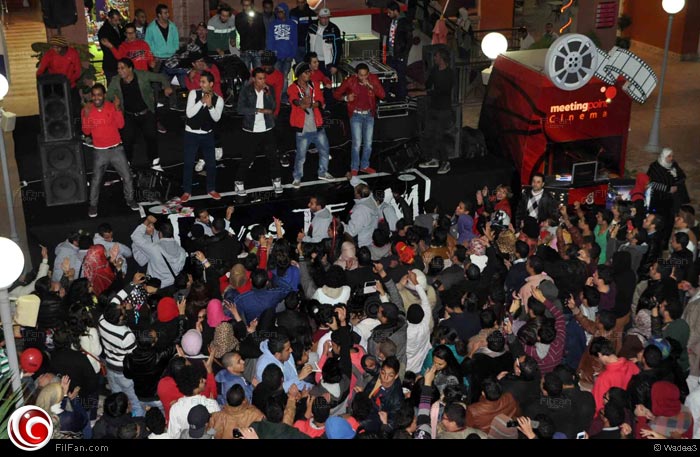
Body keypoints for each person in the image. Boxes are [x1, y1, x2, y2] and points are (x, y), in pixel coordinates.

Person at [81, 83, 139, 218]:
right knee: (96, 180)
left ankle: (130, 199)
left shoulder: (112, 106)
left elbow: (121, 125)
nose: (96, 98)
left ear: (104, 95)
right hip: (99, 152)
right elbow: (86, 131)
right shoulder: (87, 110)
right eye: (94, 95)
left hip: (117, 149)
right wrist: (86, 116)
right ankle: (93, 205)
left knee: (127, 177)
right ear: (91, 96)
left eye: (99, 95)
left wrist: (118, 109)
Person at [106, 58, 172, 170]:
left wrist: (167, 86)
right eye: (118, 68)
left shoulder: (142, 75)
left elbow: (161, 77)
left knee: (151, 137)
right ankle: (127, 164)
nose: (119, 71)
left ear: (130, 68)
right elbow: (108, 96)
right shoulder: (116, 80)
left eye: (122, 68)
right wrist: (114, 100)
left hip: (146, 113)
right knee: (127, 140)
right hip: (129, 115)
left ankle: (154, 162)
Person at [236, 67, 282, 196]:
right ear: (254, 79)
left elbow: (273, 107)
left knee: (273, 156)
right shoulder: (246, 90)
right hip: (251, 129)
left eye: (264, 78)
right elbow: (240, 109)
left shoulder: (269, 89)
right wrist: (258, 110)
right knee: (247, 157)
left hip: (267, 127)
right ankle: (239, 181)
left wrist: (268, 95)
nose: (263, 81)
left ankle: (276, 180)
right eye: (260, 78)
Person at [333, 63, 386, 176]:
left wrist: (371, 86)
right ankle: (354, 167)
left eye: (366, 75)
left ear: (368, 73)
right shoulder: (350, 81)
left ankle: (364, 166)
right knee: (357, 143)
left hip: (369, 114)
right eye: (361, 75)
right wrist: (346, 98)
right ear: (356, 75)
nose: (364, 77)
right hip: (356, 115)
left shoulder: (373, 79)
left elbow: (382, 95)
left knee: (368, 143)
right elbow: (336, 94)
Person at [181, 70, 224, 202]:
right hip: (191, 133)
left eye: (203, 82)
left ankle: (211, 189)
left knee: (211, 163)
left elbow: (216, 118)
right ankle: (187, 191)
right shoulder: (193, 94)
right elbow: (189, 114)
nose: (201, 84)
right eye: (200, 81)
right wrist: (201, 101)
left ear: (211, 84)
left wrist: (210, 105)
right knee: (188, 163)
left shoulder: (219, 99)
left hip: (207, 135)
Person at [289, 62, 333, 187]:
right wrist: (301, 103)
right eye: (306, 72)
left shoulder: (314, 85)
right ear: (299, 75)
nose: (309, 74)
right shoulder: (293, 87)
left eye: (309, 72)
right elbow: (293, 100)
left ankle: (323, 172)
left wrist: (314, 104)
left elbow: (320, 100)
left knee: (325, 150)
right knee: (301, 156)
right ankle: (297, 177)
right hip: (303, 128)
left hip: (317, 125)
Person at [417, 46, 454, 175]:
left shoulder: (449, 74)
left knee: (439, 137)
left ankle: (445, 162)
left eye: (436, 56)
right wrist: (416, 86)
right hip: (433, 108)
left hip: (443, 110)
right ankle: (433, 159)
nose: (434, 58)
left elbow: (440, 91)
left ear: (442, 58)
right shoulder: (434, 70)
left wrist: (420, 93)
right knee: (427, 134)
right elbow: (428, 85)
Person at [130, 217, 187, 291]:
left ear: (160, 233)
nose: (152, 228)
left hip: (157, 285)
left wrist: (150, 251)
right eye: (148, 226)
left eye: (152, 225)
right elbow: (141, 262)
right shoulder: (182, 250)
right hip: (171, 283)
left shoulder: (154, 247)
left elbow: (135, 236)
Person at [648, 148, 690, 246]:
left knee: (669, 222)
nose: (671, 158)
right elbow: (652, 183)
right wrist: (667, 189)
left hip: (671, 201)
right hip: (659, 200)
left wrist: (675, 176)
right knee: (658, 222)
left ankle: (665, 244)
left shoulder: (673, 165)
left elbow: (682, 177)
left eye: (672, 156)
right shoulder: (655, 167)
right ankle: (655, 243)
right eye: (669, 156)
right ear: (663, 156)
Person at [37, 35, 82, 118]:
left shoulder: (73, 53)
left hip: (70, 85)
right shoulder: (49, 54)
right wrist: (41, 80)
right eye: (54, 47)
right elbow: (41, 70)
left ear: (64, 46)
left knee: (75, 109)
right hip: (56, 87)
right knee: (59, 111)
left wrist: (69, 82)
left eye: (58, 47)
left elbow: (78, 71)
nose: (56, 50)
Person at [267, 3, 297, 104]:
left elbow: (295, 40)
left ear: (285, 12)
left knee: (284, 77)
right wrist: (271, 54)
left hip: (288, 55)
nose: (279, 13)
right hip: (276, 56)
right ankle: (276, 96)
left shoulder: (292, 24)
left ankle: (283, 96)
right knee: (276, 77)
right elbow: (270, 40)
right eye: (278, 12)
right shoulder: (272, 24)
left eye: (281, 11)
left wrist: (292, 54)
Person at [384, 2, 412, 100]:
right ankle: (386, 95)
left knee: (400, 76)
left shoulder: (405, 22)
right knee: (388, 75)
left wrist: (403, 54)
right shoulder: (392, 21)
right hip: (391, 54)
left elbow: (409, 40)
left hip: (399, 55)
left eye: (390, 12)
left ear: (396, 11)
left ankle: (401, 97)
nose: (388, 14)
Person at [306, 8, 342, 77]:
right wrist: (307, 59)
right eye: (323, 17)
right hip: (313, 61)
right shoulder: (312, 26)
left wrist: (334, 65)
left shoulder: (334, 29)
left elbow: (338, 49)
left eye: (327, 17)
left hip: (327, 62)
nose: (325, 19)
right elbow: (307, 42)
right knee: (312, 81)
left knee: (327, 82)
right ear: (319, 17)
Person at [343, 183, 380, 248]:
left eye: (355, 192)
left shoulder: (360, 210)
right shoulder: (371, 200)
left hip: (361, 244)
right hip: (369, 239)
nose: (354, 193)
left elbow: (351, 231)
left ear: (358, 195)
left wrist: (341, 226)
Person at [236, 0, 267, 70]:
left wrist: (262, 48)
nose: (246, 7)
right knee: (245, 73)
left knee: (258, 72)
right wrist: (248, 24)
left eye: (248, 5)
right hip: (245, 50)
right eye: (244, 5)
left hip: (257, 50)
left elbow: (262, 32)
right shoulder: (239, 16)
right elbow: (241, 31)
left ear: (252, 5)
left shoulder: (258, 16)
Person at [98, 9, 123, 83]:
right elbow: (106, 49)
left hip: (117, 62)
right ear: (109, 19)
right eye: (115, 20)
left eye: (118, 20)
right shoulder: (104, 31)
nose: (117, 22)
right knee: (113, 85)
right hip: (111, 64)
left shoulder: (117, 27)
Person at [289, 0, 316, 64]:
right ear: (297, 3)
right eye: (299, 2)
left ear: (305, 2)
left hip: (307, 45)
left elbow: (315, 29)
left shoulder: (312, 13)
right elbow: (290, 29)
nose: (300, 4)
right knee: (299, 66)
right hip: (295, 45)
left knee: (307, 65)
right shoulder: (292, 13)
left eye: (302, 2)